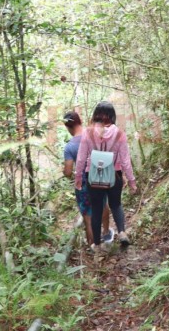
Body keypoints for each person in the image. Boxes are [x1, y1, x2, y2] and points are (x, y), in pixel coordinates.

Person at [74, 101, 137, 252]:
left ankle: (96, 244)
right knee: (116, 204)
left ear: (95, 115)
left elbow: (81, 158)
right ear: (112, 116)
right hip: (114, 175)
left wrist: (78, 178)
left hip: (93, 176)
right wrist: (132, 181)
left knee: (96, 209)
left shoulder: (87, 133)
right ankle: (121, 232)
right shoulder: (120, 134)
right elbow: (125, 160)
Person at [63, 111, 114, 247]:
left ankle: (93, 245)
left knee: (87, 213)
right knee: (103, 205)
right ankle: (106, 234)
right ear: (80, 121)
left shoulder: (69, 147)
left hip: (83, 182)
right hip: (99, 176)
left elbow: (67, 172)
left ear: (67, 127)